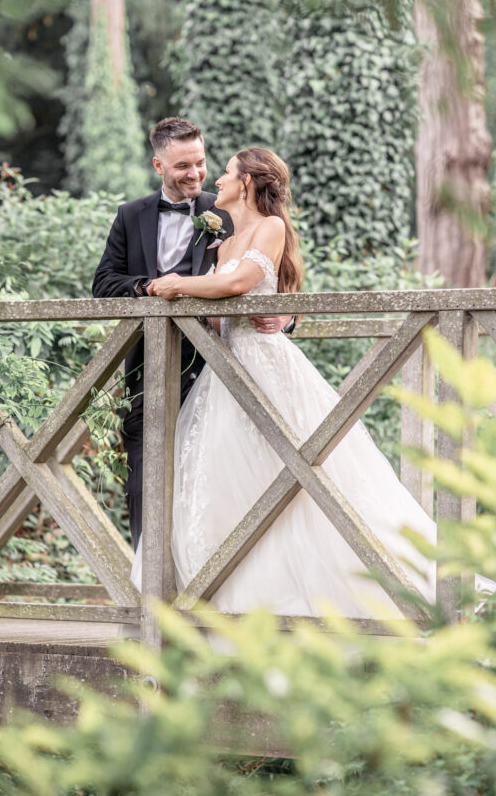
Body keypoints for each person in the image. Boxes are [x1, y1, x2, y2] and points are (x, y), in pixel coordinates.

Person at [131, 147, 437, 618]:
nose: (219, 179)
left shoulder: (271, 227)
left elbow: (241, 284)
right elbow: (225, 302)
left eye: (229, 172)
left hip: (265, 367)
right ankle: (223, 597)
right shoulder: (221, 237)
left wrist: (176, 285)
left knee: (299, 474)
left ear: (248, 182)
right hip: (223, 372)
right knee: (225, 477)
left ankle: (354, 592)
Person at [92, 118, 292, 547]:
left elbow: (276, 277)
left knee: (218, 481)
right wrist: (147, 286)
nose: (197, 174)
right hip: (147, 369)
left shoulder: (229, 208)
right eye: (183, 165)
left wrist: (285, 319)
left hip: (217, 369)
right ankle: (149, 588)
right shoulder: (131, 216)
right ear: (158, 164)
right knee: (144, 477)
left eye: (201, 162)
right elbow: (103, 282)